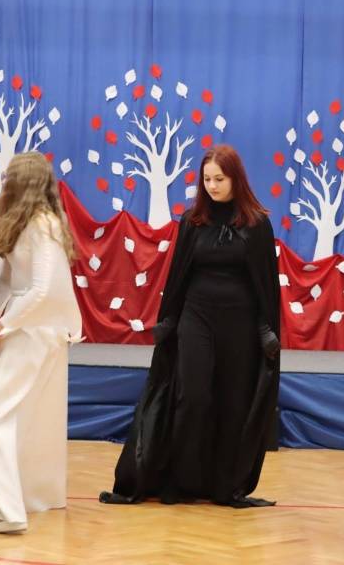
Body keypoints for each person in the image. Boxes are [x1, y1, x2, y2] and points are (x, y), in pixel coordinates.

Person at [100, 144, 281, 508]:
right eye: (207, 179)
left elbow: (266, 284)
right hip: (196, 318)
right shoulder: (192, 221)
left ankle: (225, 486)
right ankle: (179, 480)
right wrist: (168, 320)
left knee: (233, 403)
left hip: (240, 325)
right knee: (192, 398)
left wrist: (265, 330)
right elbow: (178, 275)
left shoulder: (257, 224)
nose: (212, 186)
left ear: (236, 179)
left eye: (220, 179)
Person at [0, 151, 82, 534]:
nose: (3, 185)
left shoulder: (43, 225)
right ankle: (28, 497)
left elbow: (42, 289)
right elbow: (8, 280)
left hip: (35, 331)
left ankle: (9, 511)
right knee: (21, 418)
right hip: (28, 326)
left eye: (8, 179)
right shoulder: (28, 223)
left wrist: (2, 327)